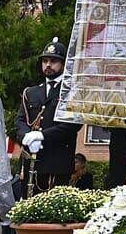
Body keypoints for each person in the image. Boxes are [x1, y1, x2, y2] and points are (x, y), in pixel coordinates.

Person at [15, 37, 83, 192]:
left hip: (57, 163)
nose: (48, 65)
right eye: (45, 61)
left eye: (53, 61)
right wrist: (25, 136)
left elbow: (72, 125)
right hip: (31, 161)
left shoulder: (71, 92)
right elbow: (20, 120)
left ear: (63, 64)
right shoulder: (31, 92)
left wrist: (42, 135)